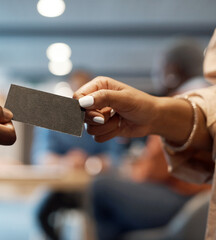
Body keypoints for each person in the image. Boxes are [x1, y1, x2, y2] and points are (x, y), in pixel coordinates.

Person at [73, 29, 216, 240]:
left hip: (184, 201)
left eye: (159, 69)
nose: (155, 75)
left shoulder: (180, 100)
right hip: (199, 200)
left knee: (101, 188)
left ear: (171, 72)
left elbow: (152, 172)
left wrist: (128, 169)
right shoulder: (201, 96)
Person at [32, 70, 124, 240]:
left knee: (100, 221)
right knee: (41, 215)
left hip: (92, 187)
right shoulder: (54, 117)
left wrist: (90, 162)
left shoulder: (104, 117)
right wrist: (66, 161)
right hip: (61, 187)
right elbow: (41, 156)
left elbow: (115, 157)